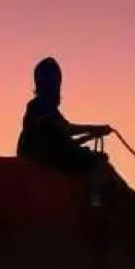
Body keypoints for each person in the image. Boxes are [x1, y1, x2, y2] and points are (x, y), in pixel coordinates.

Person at [16, 57, 116, 207]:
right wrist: (94, 129)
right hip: (40, 155)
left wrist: (91, 135)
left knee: (87, 154)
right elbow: (66, 130)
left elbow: (64, 139)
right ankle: (95, 206)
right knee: (97, 161)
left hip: (46, 152)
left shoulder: (47, 109)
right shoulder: (39, 106)